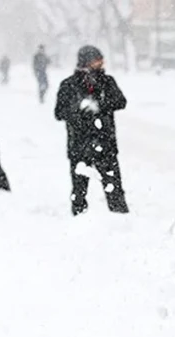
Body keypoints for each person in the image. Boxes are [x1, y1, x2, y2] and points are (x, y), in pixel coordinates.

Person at [55, 45, 129, 216]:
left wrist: (99, 106)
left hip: (105, 144)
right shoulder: (69, 85)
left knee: (114, 188)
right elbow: (59, 112)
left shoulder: (107, 82)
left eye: (101, 60)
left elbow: (121, 101)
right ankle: (80, 223)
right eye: (97, 60)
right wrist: (78, 109)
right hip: (79, 146)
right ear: (86, 62)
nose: (101, 63)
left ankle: (122, 222)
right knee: (79, 190)